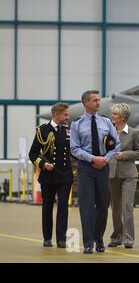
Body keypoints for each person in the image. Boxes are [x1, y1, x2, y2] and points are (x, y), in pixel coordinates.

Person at [70, 90, 120, 254]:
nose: (98, 102)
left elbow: (116, 145)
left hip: (103, 167)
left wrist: (104, 159)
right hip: (86, 168)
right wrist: (92, 159)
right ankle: (88, 242)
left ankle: (99, 239)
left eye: (99, 100)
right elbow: (74, 149)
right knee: (86, 206)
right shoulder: (77, 124)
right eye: (94, 100)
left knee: (103, 205)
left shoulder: (106, 122)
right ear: (86, 102)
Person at [28, 103, 73, 248]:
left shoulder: (68, 131)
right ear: (56, 115)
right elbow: (33, 153)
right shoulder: (43, 130)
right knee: (47, 207)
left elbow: (73, 151)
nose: (68, 117)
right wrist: (42, 164)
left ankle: (61, 239)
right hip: (49, 175)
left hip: (65, 175)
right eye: (65, 114)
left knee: (63, 207)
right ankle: (47, 237)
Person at [108, 103, 139, 249]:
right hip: (112, 174)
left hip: (129, 174)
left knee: (126, 207)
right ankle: (117, 237)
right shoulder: (108, 132)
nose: (112, 116)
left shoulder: (134, 133)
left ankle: (128, 239)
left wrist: (125, 155)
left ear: (122, 117)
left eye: (115, 114)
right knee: (115, 208)